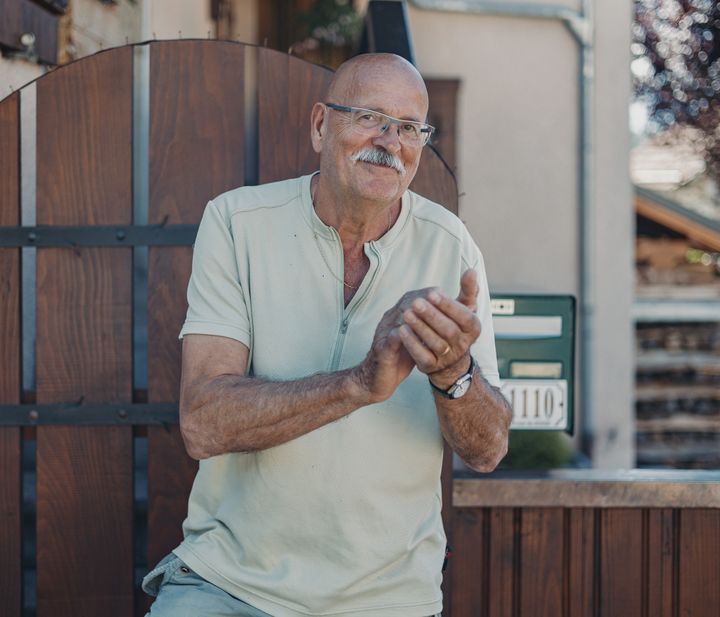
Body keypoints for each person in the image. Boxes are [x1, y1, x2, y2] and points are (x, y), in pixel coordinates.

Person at [142, 52, 512, 617]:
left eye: (410, 127)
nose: (390, 140)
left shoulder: (450, 245)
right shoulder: (238, 223)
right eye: (369, 117)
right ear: (321, 126)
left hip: (388, 599)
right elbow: (203, 422)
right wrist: (359, 384)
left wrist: (452, 373)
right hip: (230, 583)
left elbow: (487, 450)